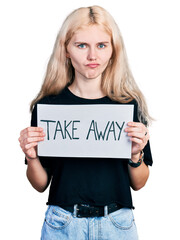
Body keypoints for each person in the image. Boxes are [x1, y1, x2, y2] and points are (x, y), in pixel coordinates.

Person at [19, 5, 153, 240]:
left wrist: (135, 155)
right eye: (82, 45)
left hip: (117, 224)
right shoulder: (48, 107)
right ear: (66, 50)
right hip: (62, 223)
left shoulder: (128, 105)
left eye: (102, 45)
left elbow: (139, 183)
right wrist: (31, 156)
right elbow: (40, 184)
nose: (93, 56)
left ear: (113, 50)